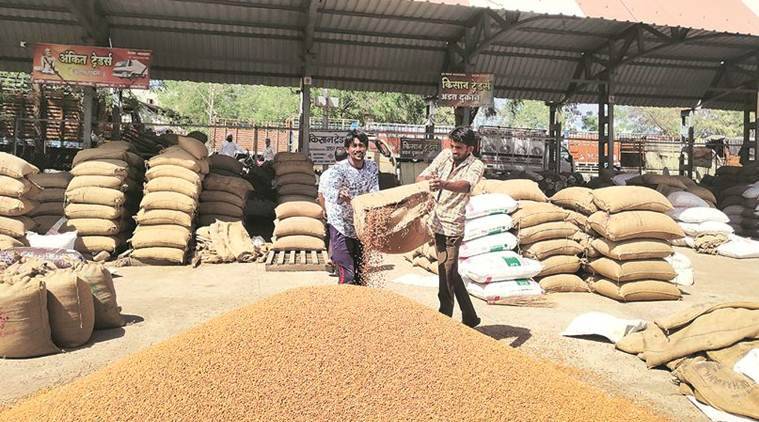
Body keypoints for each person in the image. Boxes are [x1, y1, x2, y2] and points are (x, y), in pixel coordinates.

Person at [417, 127, 485, 328]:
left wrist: (443, 184)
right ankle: (470, 317)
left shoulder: (476, 165)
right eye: (452, 146)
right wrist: (428, 181)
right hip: (436, 224)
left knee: (446, 273)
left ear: (470, 148)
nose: (454, 150)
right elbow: (423, 176)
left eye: (459, 148)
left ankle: (444, 319)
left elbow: (466, 185)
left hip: (453, 228)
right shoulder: (445, 155)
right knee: (450, 272)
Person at [321, 130, 379, 285]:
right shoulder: (338, 169)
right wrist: (340, 194)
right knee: (347, 274)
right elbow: (329, 192)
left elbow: (374, 192)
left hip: (361, 225)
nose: (358, 149)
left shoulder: (372, 167)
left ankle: (360, 300)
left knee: (361, 274)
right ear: (347, 149)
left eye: (361, 146)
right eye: (354, 146)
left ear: (366, 148)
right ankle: (344, 299)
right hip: (341, 224)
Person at [318, 147, 348, 277]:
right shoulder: (348, 173)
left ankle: (332, 259)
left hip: (330, 210)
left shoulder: (326, 174)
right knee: (342, 239)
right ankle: (339, 264)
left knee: (333, 236)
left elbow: (320, 194)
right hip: (344, 211)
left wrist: (324, 209)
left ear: (335, 158)